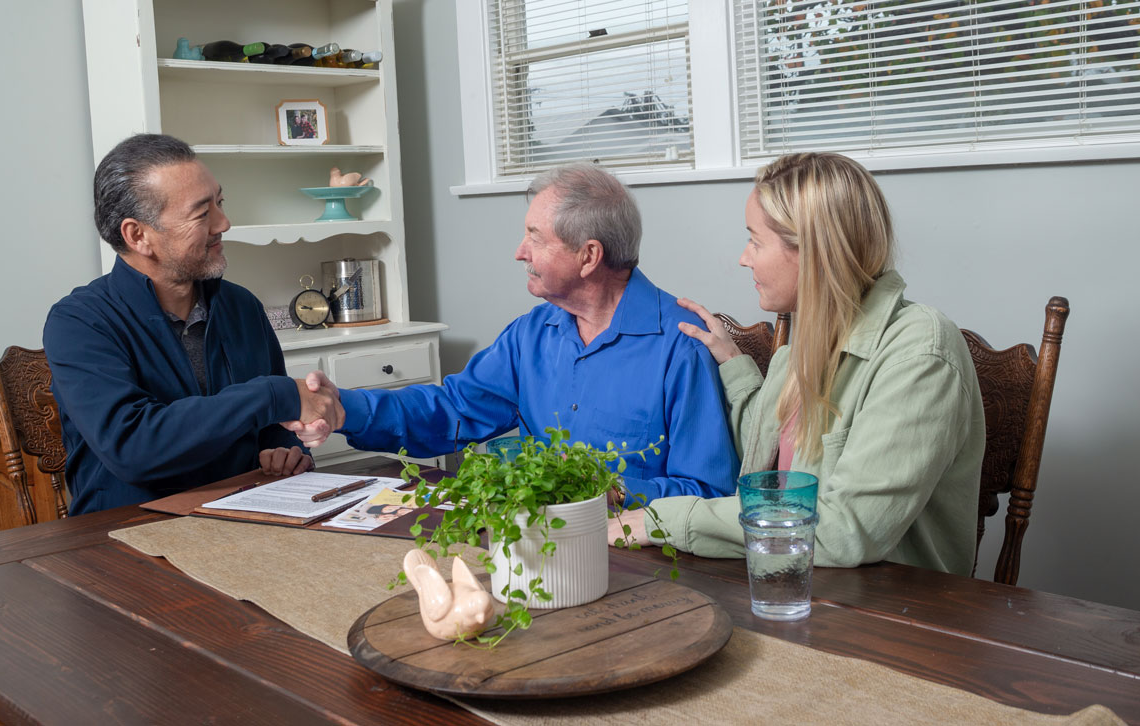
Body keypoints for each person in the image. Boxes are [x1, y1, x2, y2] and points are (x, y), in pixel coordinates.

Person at [611, 152, 985, 575]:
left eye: (755, 241)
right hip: (793, 581)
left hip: (889, 603)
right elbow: (769, 451)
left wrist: (669, 520)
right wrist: (732, 363)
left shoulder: (921, 353)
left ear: (814, 251)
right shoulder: (805, 346)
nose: (744, 258)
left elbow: (846, 530)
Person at [292, 163, 740, 504]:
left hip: (641, 559)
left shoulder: (683, 344)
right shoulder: (532, 334)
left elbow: (709, 491)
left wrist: (615, 492)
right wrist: (343, 408)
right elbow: (452, 410)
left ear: (588, 256)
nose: (519, 252)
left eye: (535, 237)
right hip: (538, 544)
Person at [45, 133, 328, 515]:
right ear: (138, 235)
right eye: (201, 214)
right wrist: (273, 395)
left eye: (219, 203)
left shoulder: (242, 306)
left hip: (243, 518)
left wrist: (286, 451)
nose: (223, 223)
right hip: (127, 532)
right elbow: (135, 448)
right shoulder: (79, 323)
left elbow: (273, 427)